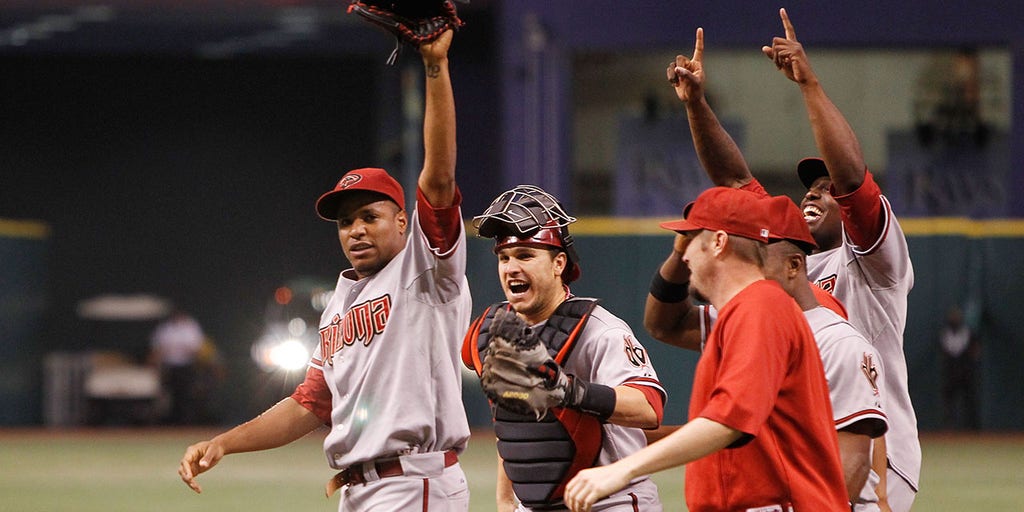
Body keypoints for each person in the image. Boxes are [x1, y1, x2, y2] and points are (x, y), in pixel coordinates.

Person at [179, 30, 475, 511]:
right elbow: (311, 403)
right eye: (345, 222)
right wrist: (226, 442)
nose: (356, 229)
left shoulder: (426, 272)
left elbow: (439, 178)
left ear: (403, 222)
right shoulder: (339, 302)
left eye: (369, 217)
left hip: (413, 482)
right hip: (360, 488)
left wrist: (435, 67)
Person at [667, 10, 921, 510]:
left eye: (827, 190)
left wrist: (808, 85)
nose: (815, 193)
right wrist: (697, 105)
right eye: (809, 186)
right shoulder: (776, 256)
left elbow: (851, 180)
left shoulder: (873, 263)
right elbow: (736, 187)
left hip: (869, 454)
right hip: (798, 453)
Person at [563, 186, 850, 512]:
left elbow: (731, 421)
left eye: (691, 241)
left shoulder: (762, 306)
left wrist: (624, 468)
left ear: (718, 242)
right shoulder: (742, 313)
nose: (684, 256)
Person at [646, 193, 890, 509]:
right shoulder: (740, 319)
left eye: (759, 256)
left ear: (793, 265)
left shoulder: (838, 342)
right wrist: (687, 248)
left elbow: (851, 466)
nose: (744, 265)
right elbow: (664, 324)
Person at [462, 184, 667, 512]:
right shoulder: (494, 332)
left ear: (559, 264)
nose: (511, 267)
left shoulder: (600, 331)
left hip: (610, 502)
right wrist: (506, 503)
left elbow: (649, 407)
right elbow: (513, 428)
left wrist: (569, 391)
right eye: (504, 257)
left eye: (526, 255)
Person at [149, 308, 204, 425]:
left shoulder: (191, 327)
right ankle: (172, 424)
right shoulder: (165, 328)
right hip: (169, 367)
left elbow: (196, 349)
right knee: (169, 395)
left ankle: (187, 423)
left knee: (186, 395)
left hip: (186, 366)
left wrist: (178, 350)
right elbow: (158, 350)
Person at [939, 305, 980, 430]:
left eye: (956, 317)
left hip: (966, 373)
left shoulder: (967, 333)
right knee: (949, 402)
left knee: (969, 400)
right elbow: (945, 353)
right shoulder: (945, 334)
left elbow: (975, 350)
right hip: (951, 374)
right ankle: (950, 427)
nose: (954, 320)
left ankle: (971, 428)